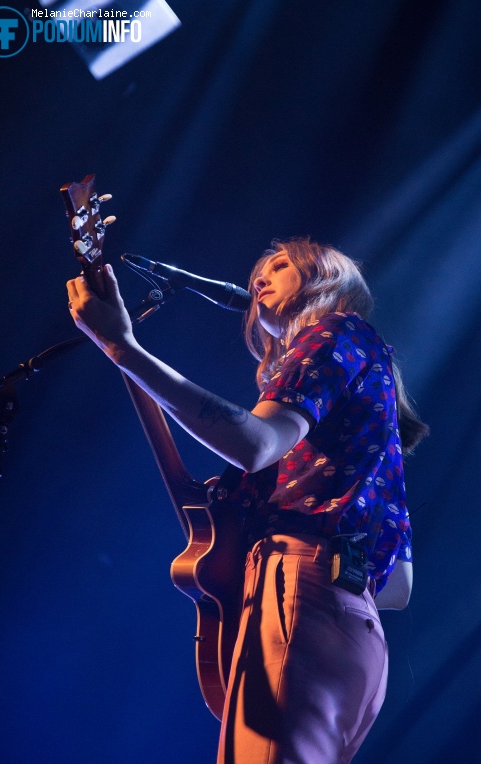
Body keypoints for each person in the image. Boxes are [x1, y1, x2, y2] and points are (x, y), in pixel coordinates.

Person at [67, 237, 428, 764]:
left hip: (302, 599)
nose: (260, 276)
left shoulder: (333, 332)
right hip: (356, 635)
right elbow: (397, 586)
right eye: (258, 268)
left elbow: (253, 444)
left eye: (281, 265)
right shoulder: (367, 426)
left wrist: (124, 348)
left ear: (327, 279)